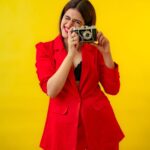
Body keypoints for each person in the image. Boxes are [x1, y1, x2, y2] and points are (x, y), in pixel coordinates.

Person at [35, 0, 124, 150]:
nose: (69, 25)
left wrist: (107, 54)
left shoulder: (94, 50)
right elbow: (52, 90)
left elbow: (113, 89)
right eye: (67, 18)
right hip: (62, 128)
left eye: (76, 21)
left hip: (98, 124)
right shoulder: (45, 49)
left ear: (86, 26)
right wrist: (71, 54)